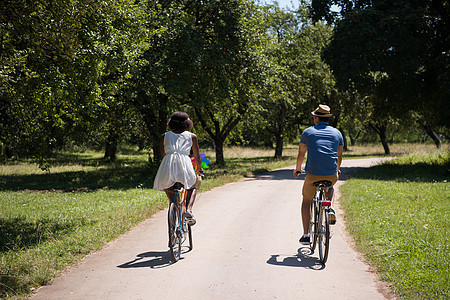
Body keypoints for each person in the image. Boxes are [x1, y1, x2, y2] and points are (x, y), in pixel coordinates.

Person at [293, 105, 343, 245]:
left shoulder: (308, 132)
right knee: (331, 186)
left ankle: (306, 235)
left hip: (312, 174)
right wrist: (337, 170)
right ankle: (330, 207)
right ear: (327, 118)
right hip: (330, 174)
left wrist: (298, 169)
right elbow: (339, 156)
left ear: (316, 118)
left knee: (306, 200)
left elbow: (301, 153)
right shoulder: (337, 133)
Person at [153, 112, 203, 225]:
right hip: (184, 164)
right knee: (193, 184)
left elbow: (163, 154)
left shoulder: (164, 136)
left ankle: (173, 210)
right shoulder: (192, 136)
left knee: (169, 188)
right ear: (187, 123)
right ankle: (188, 210)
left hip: (168, 163)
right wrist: (199, 167)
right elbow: (197, 156)